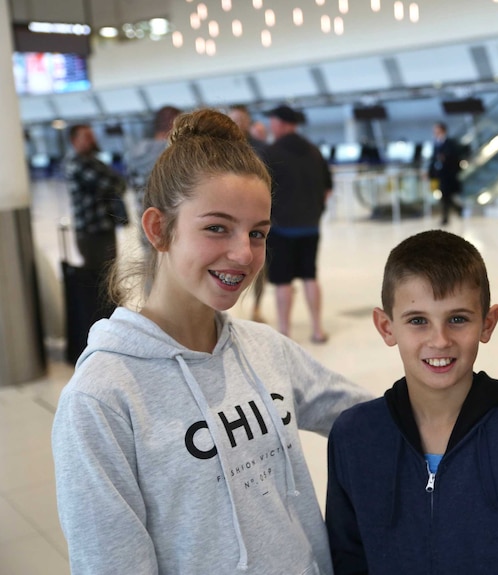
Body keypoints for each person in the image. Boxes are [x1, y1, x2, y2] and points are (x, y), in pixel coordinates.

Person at [52, 109, 373, 574]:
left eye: (257, 232)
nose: (243, 253)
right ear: (158, 229)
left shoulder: (266, 349)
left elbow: (370, 418)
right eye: (217, 227)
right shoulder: (100, 399)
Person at [325, 229, 498, 574]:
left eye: (457, 319)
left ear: (488, 322)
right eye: (418, 321)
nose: (439, 340)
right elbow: (347, 558)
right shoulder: (355, 437)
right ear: (386, 326)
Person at [263, 104, 332, 343]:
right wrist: (316, 213)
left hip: (281, 228)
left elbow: (263, 190)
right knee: (310, 276)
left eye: (272, 121)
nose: (271, 125)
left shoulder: (271, 152)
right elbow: (328, 189)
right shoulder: (314, 151)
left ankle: (284, 332)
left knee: (283, 281)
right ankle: (317, 329)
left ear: (281, 123)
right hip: (310, 226)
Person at [63, 123, 128, 270]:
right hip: (91, 233)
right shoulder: (77, 163)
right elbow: (113, 184)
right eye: (87, 137)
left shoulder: (94, 162)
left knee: (109, 275)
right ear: (74, 141)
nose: (92, 140)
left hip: (103, 228)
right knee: (99, 281)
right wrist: (118, 182)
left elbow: (120, 184)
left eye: (92, 136)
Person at [228, 103, 268, 322]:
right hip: (228, 215)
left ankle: (257, 307)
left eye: (242, 119)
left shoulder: (260, 148)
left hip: (256, 217)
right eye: (234, 119)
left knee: (259, 266)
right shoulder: (220, 149)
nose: (238, 123)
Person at [125, 105, 182, 215]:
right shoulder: (173, 153)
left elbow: (130, 185)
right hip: (170, 218)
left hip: (145, 216)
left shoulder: (133, 153)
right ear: (174, 124)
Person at [427, 122, 463, 225]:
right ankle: (458, 209)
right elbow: (433, 160)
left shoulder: (451, 143)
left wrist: (446, 158)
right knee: (445, 196)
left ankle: (446, 217)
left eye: (437, 130)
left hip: (449, 175)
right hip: (440, 175)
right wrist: (430, 173)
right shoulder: (436, 143)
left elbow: (456, 157)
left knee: (446, 196)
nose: (435, 132)